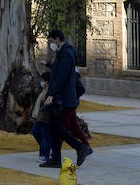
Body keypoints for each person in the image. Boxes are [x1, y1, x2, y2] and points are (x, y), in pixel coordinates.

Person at [44, 29, 93, 167]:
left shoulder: (66, 53)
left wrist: (51, 94)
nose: (50, 45)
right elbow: (58, 71)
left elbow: (61, 76)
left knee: (57, 127)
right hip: (64, 97)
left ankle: (80, 147)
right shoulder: (64, 52)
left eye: (51, 41)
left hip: (64, 98)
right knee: (57, 127)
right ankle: (56, 159)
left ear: (57, 39)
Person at [29, 72, 55, 165]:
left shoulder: (50, 90)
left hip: (46, 116)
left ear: (47, 81)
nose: (42, 82)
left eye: (43, 80)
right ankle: (48, 149)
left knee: (45, 136)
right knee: (36, 132)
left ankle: (44, 155)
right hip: (40, 116)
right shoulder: (44, 89)